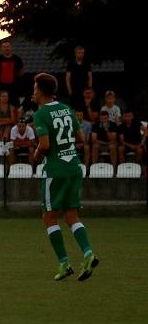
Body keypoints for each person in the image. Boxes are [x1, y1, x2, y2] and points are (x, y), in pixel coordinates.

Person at [31, 72, 99, 281]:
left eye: (34, 88)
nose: (33, 92)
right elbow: (81, 138)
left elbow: (44, 146)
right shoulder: (67, 109)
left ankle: (64, 264)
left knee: (49, 217)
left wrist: (35, 156)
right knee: (71, 216)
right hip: (74, 167)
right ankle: (88, 253)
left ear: (41, 91)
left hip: (56, 170)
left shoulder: (41, 114)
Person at [0, 40, 25, 105]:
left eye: (8, 46)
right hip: (1, 87)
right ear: (2, 48)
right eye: (4, 47)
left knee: (14, 104)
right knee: (1, 104)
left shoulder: (17, 59)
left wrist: (16, 80)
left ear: (11, 47)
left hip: (14, 87)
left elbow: (21, 72)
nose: (6, 48)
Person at [65, 45, 92, 110]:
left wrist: (89, 89)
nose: (81, 54)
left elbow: (90, 76)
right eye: (79, 53)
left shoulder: (87, 63)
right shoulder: (71, 63)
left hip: (84, 91)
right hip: (74, 91)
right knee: (74, 109)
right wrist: (70, 91)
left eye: (82, 53)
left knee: (84, 108)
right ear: (75, 53)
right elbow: (67, 78)